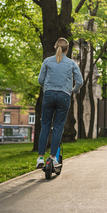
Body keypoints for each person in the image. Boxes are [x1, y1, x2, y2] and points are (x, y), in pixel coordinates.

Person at [36, 38, 83, 169]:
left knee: (45, 126)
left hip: (49, 95)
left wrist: (47, 87)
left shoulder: (47, 61)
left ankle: (40, 158)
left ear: (55, 46)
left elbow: (40, 79)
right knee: (58, 127)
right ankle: (53, 158)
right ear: (67, 49)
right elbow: (80, 81)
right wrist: (73, 90)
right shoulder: (71, 63)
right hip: (64, 96)